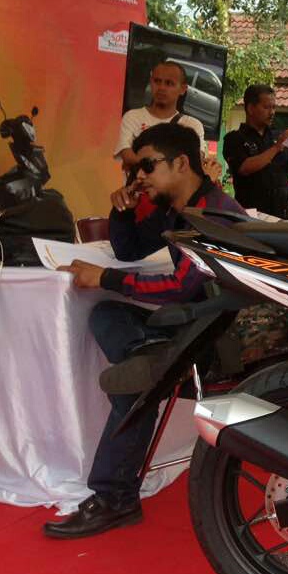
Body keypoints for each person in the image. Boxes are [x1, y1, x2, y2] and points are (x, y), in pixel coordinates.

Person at [44, 124, 245, 539]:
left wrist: (105, 278)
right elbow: (130, 250)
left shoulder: (211, 214)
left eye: (148, 166)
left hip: (219, 336)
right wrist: (122, 210)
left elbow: (181, 287)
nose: (139, 177)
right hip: (193, 322)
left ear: (181, 163)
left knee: (134, 387)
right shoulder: (180, 208)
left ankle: (114, 497)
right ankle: (149, 352)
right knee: (106, 315)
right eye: (136, 169)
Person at [222, 84, 288, 219]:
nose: (272, 112)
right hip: (253, 215)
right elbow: (244, 168)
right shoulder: (235, 138)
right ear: (250, 108)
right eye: (266, 107)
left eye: (274, 107)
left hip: (283, 213)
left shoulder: (278, 136)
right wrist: (276, 148)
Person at [115, 61, 206, 172]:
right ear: (151, 82)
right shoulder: (132, 117)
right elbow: (127, 155)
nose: (161, 87)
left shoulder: (192, 125)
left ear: (183, 89)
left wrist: (142, 163)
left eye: (169, 83)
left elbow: (196, 163)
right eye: (157, 81)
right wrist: (170, 165)